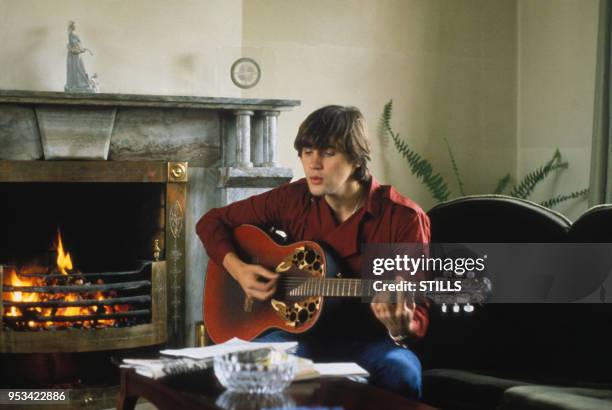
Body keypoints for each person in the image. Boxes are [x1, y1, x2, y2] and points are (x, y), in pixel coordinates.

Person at [197, 105, 431, 398]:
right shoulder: (294, 198)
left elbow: (416, 312)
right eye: (307, 152)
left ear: (356, 158)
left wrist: (401, 325)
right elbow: (212, 221)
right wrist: (240, 270)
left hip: (370, 341)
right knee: (244, 368)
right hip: (296, 333)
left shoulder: (402, 218)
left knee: (402, 372)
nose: (313, 164)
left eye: (328, 152)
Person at [65, 21, 95, 93]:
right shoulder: (70, 35)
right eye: (73, 26)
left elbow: (79, 44)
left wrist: (81, 49)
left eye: (74, 26)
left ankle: (82, 83)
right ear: (71, 27)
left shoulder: (75, 35)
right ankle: (75, 84)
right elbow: (71, 45)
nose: (74, 27)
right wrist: (73, 49)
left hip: (77, 55)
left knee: (80, 68)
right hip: (73, 55)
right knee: (74, 69)